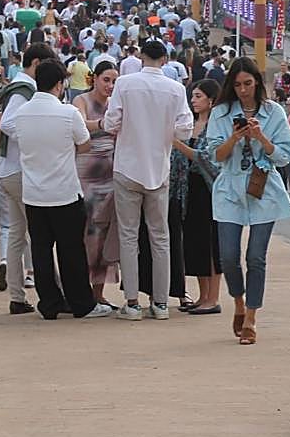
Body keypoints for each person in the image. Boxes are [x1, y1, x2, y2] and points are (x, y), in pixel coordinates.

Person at [12, 59, 113, 320]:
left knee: (41, 251)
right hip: (64, 192)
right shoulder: (67, 113)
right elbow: (85, 145)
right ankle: (81, 303)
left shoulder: (21, 114)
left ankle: (49, 303)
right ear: (59, 84)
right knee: (71, 251)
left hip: (33, 193)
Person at [204, 58, 290, 344]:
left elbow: (284, 154)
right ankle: (239, 303)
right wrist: (234, 138)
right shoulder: (220, 112)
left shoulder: (274, 112)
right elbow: (214, 155)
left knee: (256, 256)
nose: (243, 90)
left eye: (248, 83)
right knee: (228, 256)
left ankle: (252, 317)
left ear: (257, 82)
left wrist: (261, 137)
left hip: (263, 187)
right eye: (238, 85)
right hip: (230, 187)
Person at [102, 39, 194, 321]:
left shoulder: (125, 84)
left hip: (127, 166)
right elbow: (185, 130)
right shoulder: (176, 89)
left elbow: (111, 123)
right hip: (159, 168)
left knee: (129, 236)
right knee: (160, 237)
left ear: (141, 57)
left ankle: (131, 303)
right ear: (165, 59)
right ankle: (161, 303)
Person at [0, 42, 44, 314]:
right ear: (35, 63)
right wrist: (33, 137)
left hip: (9, 168)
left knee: (17, 234)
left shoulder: (19, 87)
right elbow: (7, 123)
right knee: (36, 232)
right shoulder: (25, 90)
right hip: (19, 169)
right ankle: (46, 289)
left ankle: (17, 295)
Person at [72, 59, 121, 306]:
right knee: (84, 233)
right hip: (86, 173)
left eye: (114, 81)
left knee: (103, 235)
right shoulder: (80, 101)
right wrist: (103, 125)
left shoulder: (115, 104)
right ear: (95, 78)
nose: (110, 85)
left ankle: (99, 292)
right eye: (106, 80)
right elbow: (79, 125)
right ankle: (81, 290)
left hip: (110, 174)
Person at [173, 79, 223, 315]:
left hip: (209, 190)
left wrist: (176, 143)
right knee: (196, 244)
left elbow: (206, 158)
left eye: (199, 96)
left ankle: (213, 298)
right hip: (189, 190)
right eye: (192, 96)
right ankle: (203, 296)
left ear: (211, 100)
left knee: (212, 245)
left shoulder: (216, 127)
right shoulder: (191, 124)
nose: (193, 101)